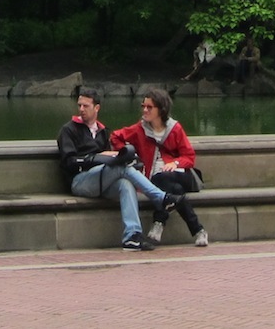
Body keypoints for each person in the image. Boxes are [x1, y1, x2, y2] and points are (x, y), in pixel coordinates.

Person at [57, 87, 183, 250]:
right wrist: (98, 158)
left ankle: (132, 237)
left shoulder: (103, 131)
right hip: (80, 181)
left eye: (86, 106)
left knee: (126, 184)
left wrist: (117, 157)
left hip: (103, 181)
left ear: (97, 108)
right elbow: (69, 162)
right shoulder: (68, 130)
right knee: (121, 167)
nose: (81, 109)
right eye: (79, 105)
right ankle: (161, 198)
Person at [111, 88, 208, 246]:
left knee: (164, 178)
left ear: (161, 109)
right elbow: (116, 136)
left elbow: (189, 157)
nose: (145, 110)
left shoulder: (175, 129)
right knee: (175, 189)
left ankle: (159, 222)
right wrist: (129, 154)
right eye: (143, 106)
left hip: (178, 173)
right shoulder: (139, 129)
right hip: (158, 179)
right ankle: (198, 230)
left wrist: (174, 163)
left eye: (149, 107)